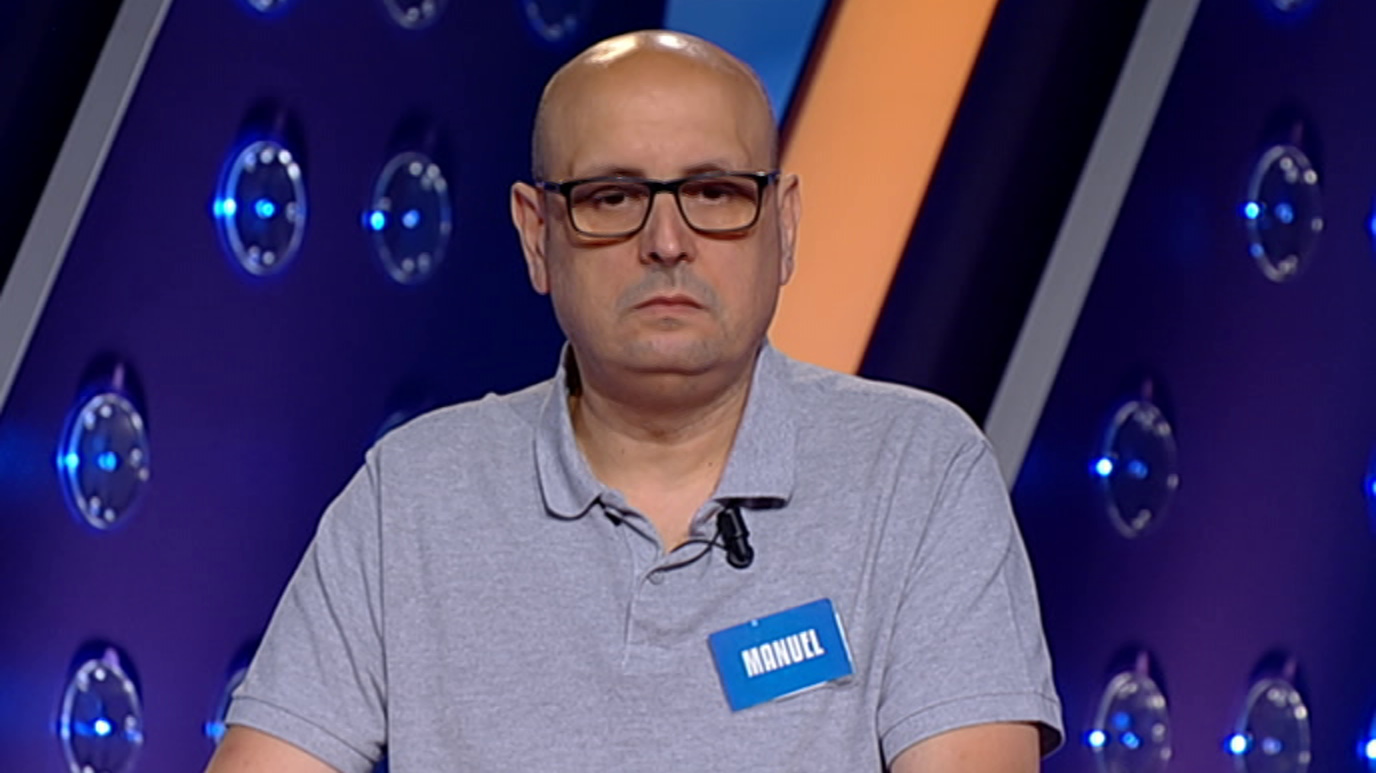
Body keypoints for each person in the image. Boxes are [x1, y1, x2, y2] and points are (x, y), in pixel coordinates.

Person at [206, 29, 1063, 773]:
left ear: (784, 225)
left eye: (715, 192)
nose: (666, 241)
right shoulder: (413, 492)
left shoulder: (919, 470)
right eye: (611, 198)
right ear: (537, 235)